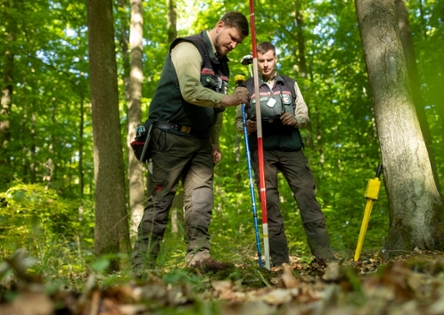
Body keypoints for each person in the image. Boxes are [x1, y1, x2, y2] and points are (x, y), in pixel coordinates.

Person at [132, 11, 249, 274]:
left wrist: (214, 142)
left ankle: (199, 260)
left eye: (237, 44)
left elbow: (216, 111)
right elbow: (190, 90)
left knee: (201, 202)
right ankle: (143, 269)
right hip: (169, 137)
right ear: (220, 26)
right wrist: (228, 99)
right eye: (231, 38)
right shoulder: (188, 47)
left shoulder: (222, 65)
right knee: (160, 204)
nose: (232, 45)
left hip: (200, 143)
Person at [235, 42, 336, 267]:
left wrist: (295, 120)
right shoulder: (247, 87)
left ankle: (324, 258)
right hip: (263, 151)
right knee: (269, 204)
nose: (265, 65)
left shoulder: (290, 83)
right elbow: (238, 121)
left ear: (275, 59)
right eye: (261, 61)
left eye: (269, 60)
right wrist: (247, 125)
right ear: (256, 62)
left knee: (307, 198)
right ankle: (280, 263)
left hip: (292, 149)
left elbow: (304, 114)